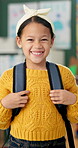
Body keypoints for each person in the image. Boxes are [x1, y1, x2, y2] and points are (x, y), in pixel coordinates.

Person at [0, 5, 78, 148]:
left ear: (51, 41)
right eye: (30, 39)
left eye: (43, 39)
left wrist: (73, 99)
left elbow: (74, 117)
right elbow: (2, 123)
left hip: (57, 143)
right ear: (19, 41)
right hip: (18, 144)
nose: (37, 45)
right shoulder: (8, 77)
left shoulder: (64, 74)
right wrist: (5, 104)